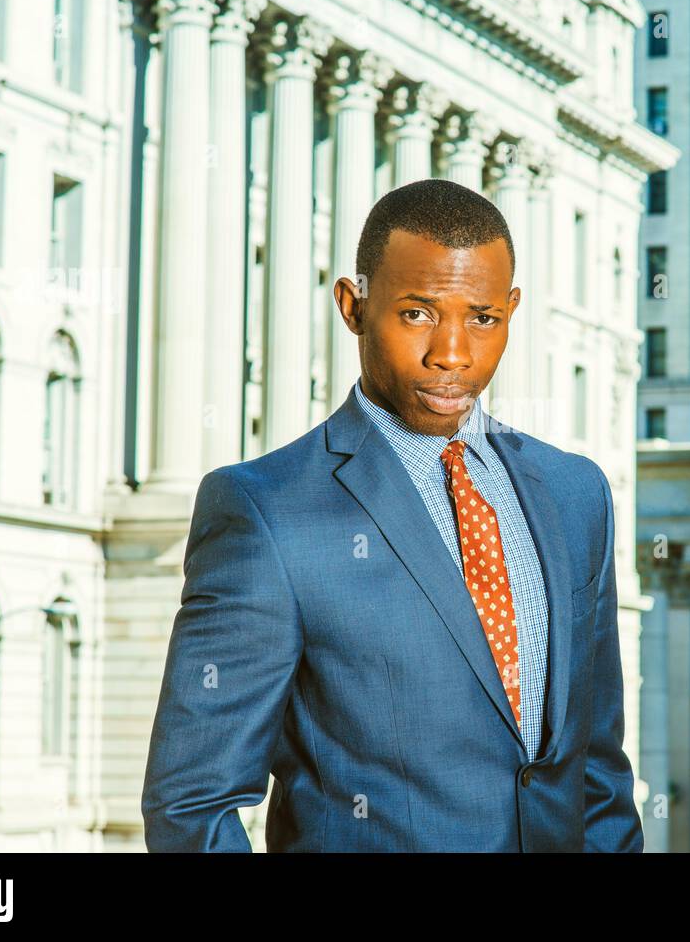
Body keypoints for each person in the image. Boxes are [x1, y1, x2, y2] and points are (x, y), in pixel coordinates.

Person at [141, 178, 642, 852]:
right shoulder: (266, 509)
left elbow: (599, 773)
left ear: (511, 311)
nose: (453, 353)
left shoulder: (576, 493)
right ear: (354, 306)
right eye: (417, 313)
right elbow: (191, 805)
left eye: (483, 318)